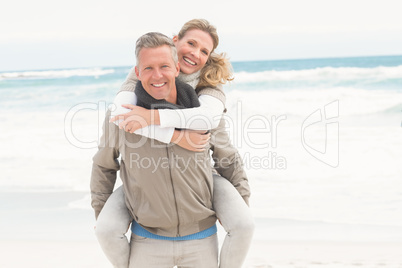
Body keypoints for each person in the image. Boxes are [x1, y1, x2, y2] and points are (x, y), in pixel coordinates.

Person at [95, 19, 254, 268]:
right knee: (104, 229)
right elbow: (104, 165)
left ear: (176, 68)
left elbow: (228, 158)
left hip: (200, 235)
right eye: (149, 68)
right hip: (148, 237)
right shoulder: (122, 111)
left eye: (204, 51)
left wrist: (238, 209)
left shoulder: (206, 105)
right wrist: (104, 214)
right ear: (175, 42)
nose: (158, 75)